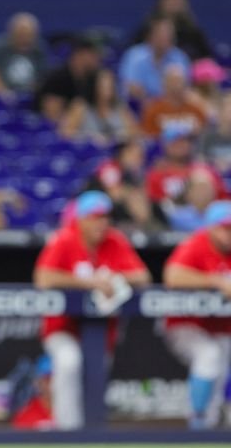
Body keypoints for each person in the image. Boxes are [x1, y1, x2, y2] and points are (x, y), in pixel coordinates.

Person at [33, 191, 151, 430]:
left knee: (95, 377)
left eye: (105, 217)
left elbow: (143, 276)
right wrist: (91, 282)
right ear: (80, 219)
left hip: (102, 330)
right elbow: (43, 278)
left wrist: (115, 278)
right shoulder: (64, 238)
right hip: (62, 327)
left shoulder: (115, 240)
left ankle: (92, 434)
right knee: (68, 363)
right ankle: (68, 434)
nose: (101, 222)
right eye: (95, 217)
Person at [163, 200, 231, 429]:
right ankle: (198, 420)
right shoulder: (196, 243)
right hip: (185, 323)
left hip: (221, 327)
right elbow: (172, 276)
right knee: (209, 355)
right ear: (210, 227)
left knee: (219, 369)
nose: (229, 233)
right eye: (225, 228)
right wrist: (215, 281)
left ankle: (208, 427)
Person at [146, 125, 226, 206]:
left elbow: (223, 199)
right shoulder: (158, 173)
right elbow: (154, 203)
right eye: (177, 142)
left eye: (186, 141)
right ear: (167, 146)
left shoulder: (206, 169)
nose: (183, 145)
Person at [58, 69, 140, 146]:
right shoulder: (81, 106)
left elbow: (135, 133)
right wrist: (89, 138)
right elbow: (65, 133)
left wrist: (120, 137)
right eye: (103, 85)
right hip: (88, 154)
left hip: (115, 155)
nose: (107, 88)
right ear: (93, 86)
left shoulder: (120, 108)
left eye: (110, 84)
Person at [118, 16, 190, 103]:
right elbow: (130, 86)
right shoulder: (134, 55)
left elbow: (185, 87)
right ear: (151, 36)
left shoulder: (180, 57)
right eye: (162, 36)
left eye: (169, 37)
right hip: (140, 104)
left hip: (172, 104)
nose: (166, 40)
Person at [36, 37, 101, 123]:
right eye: (92, 55)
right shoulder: (58, 78)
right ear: (79, 55)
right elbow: (51, 115)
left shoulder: (92, 79)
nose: (97, 60)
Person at [0, 12, 47, 99]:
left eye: (29, 35)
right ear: (11, 33)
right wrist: (4, 94)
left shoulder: (39, 50)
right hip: (1, 96)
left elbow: (43, 78)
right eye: (20, 34)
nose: (25, 38)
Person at [133, 0, 212, 61]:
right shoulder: (147, 28)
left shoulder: (193, 31)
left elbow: (206, 57)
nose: (173, 2)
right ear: (161, 1)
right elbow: (133, 54)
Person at [141, 64, 206, 138]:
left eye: (180, 82)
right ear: (164, 86)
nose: (176, 87)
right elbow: (149, 138)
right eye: (172, 82)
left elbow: (204, 136)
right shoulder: (153, 111)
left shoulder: (196, 110)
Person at [198, 92, 231, 173]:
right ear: (221, 112)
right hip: (214, 179)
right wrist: (214, 164)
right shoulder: (208, 136)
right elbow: (200, 161)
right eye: (229, 106)